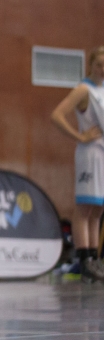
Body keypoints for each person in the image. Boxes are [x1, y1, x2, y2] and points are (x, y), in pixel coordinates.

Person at [51, 45, 104, 282]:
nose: (103, 69)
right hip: (89, 153)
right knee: (84, 208)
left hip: (102, 153)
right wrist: (79, 136)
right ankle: (84, 260)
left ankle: (94, 258)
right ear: (91, 65)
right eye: (99, 64)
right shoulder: (84, 89)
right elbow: (57, 115)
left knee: (98, 209)